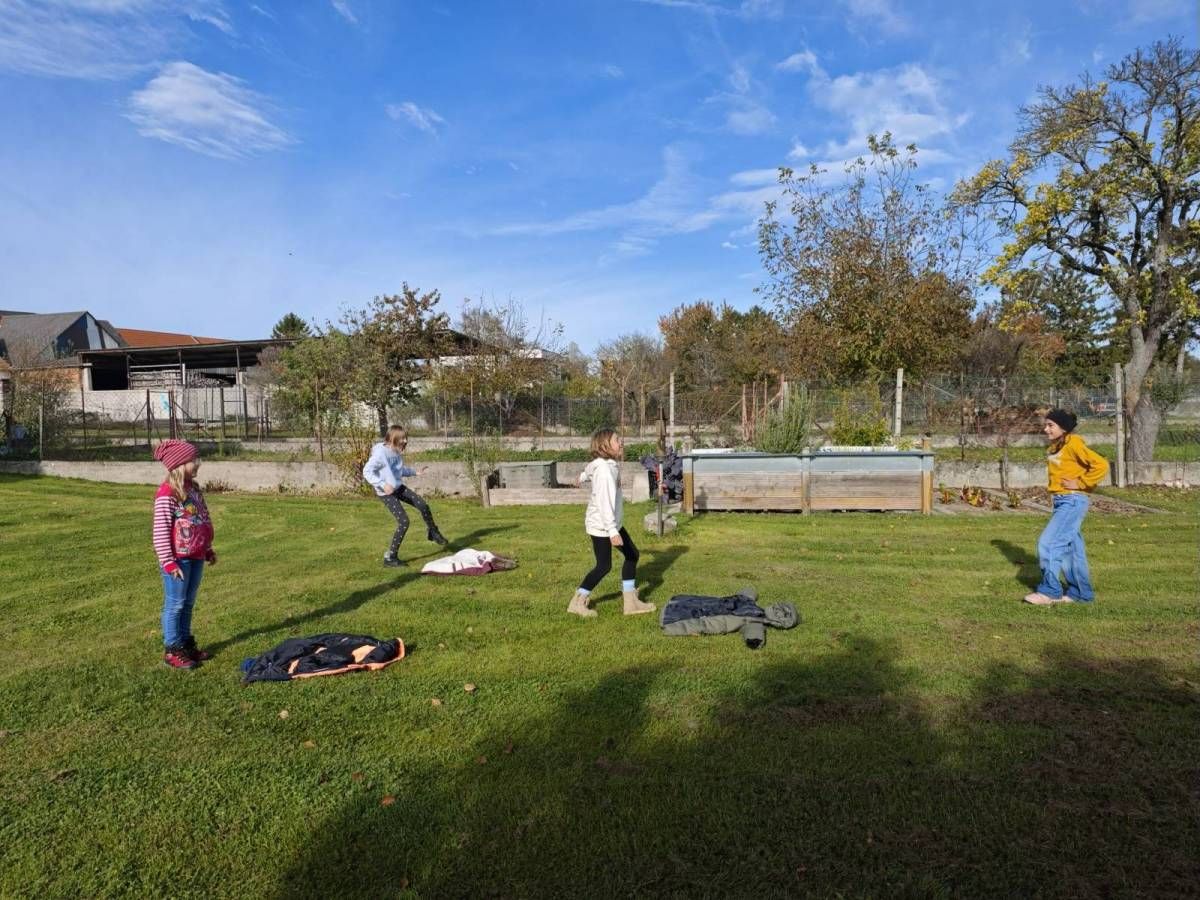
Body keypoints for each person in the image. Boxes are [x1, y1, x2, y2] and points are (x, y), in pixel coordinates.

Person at [1024, 409, 1110, 605]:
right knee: (1071, 551)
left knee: (1048, 543)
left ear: (1063, 428)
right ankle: (1080, 593)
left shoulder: (1074, 444)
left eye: (1050, 425)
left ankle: (1050, 591)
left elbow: (1101, 465)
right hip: (1063, 501)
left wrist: (1080, 482)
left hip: (1072, 500)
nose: (1046, 429)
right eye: (1046, 425)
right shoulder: (1057, 446)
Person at [567, 428, 656, 618]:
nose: (621, 442)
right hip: (602, 526)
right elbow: (604, 503)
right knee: (603, 566)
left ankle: (630, 603)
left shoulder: (604, 464)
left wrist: (581, 477)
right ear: (604, 446)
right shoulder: (605, 471)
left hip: (611, 523)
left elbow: (589, 469)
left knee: (632, 555)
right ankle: (577, 601)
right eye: (616, 440)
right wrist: (612, 531)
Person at [152, 439, 216, 669]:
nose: (197, 463)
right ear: (179, 464)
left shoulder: (194, 490)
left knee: (188, 603)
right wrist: (168, 562)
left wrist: (207, 549)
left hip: (195, 556)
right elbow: (160, 531)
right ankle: (173, 648)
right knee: (175, 604)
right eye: (193, 460)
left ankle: (186, 644)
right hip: (177, 561)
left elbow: (201, 520)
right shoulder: (167, 493)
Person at [363, 425, 447, 567]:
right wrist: (382, 484)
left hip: (397, 487)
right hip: (386, 493)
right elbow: (367, 471)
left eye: (405, 438)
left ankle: (433, 532)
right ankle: (390, 558)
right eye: (402, 438)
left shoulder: (395, 452)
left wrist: (415, 472)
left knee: (422, 504)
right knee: (404, 522)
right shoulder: (381, 454)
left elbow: (399, 470)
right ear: (392, 438)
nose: (405, 441)